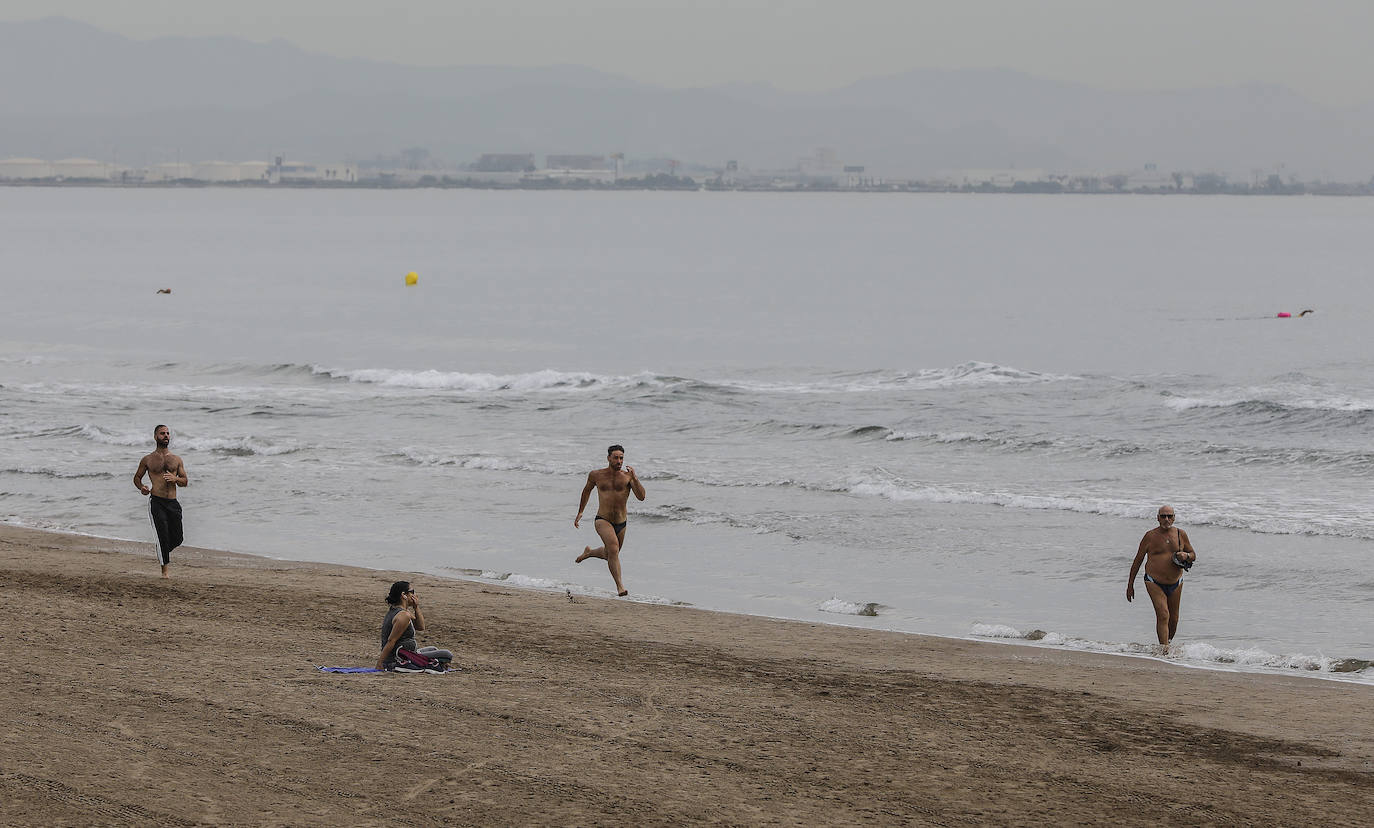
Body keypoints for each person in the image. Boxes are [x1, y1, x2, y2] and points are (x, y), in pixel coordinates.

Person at [573, 444, 646, 597]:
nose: (619, 461)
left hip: (621, 522)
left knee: (610, 553)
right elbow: (586, 491)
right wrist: (580, 512)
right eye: (616, 458)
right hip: (603, 519)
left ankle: (590, 553)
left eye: (621, 458)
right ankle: (620, 586)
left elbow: (641, 497)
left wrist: (635, 478)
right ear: (608, 458)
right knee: (613, 549)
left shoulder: (628, 477)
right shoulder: (596, 475)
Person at [1126, 505, 1197, 653]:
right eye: (1163, 516)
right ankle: (1164, 651)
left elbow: (1193, 554)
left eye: (1169, 516)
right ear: (1157, 518)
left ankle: (1167, 644)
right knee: (1163, 615)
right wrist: (1130, 584)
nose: (1166, 519)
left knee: (1174, 619)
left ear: (1174, 518)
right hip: (1154, 581)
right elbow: (1138, 560)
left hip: (1176, 582)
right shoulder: (1150, 536)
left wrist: (1186, 556)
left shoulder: (1180, 534)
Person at [133, 424, 188, 578]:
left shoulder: (176, 459)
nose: (166, 436)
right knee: (162, 534)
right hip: (157, 502)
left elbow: (185, 481)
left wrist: (175, 478)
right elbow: (137, 477)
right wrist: (142, 487)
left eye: (168, 433)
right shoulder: (148, 459)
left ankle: (162, 551)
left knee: (178, 538)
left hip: (173, 503)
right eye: (162, 433)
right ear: (155, 436)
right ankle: (165, 571)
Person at [377, 580, 452, 671]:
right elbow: (391, 641)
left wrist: (416, 607)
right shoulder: (403, 615)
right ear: (404, 595)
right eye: (412, 592)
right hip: (400, 656)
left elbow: (420, 627)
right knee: (447, 655)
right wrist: (380, 663)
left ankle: (427, 661)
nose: (415, 595)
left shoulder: (401, 611)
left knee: (433, 649)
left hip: (409, 653)